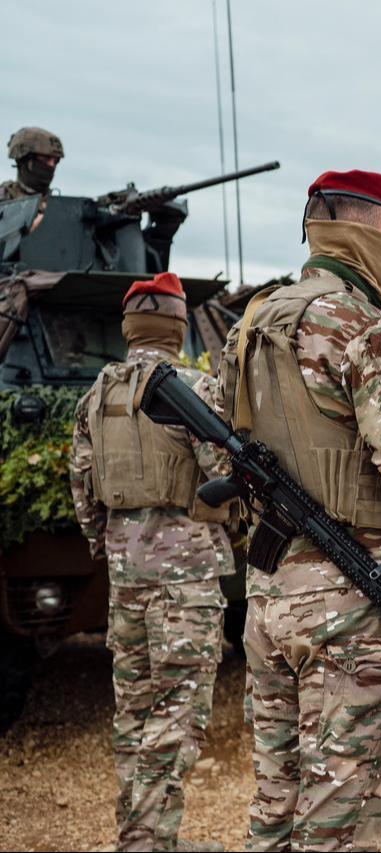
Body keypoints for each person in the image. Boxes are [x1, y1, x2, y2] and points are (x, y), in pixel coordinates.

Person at [214, 169, 381, 852]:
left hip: (270, 596)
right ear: (361, 234)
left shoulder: (255, 321)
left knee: (276, 796)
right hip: (347, 602)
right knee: (341, 811)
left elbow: (215, 454)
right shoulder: (360, 326)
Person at [69, 272, 232, 853]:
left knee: (135, 709)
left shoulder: (97, 395)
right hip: (184, 579)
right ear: (177, 326)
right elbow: (223, 475)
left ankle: (138, 835)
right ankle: (150, 843)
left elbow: (83, 489)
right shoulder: (192, 390)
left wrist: (110, 547)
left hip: (126, 574)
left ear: (129, 327)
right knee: (178, 708)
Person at [2, 126, 62, 201]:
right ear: (25, 159)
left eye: (56, 161)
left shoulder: (56, 205)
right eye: (46, 159)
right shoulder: (4, 201)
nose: (52, 165)